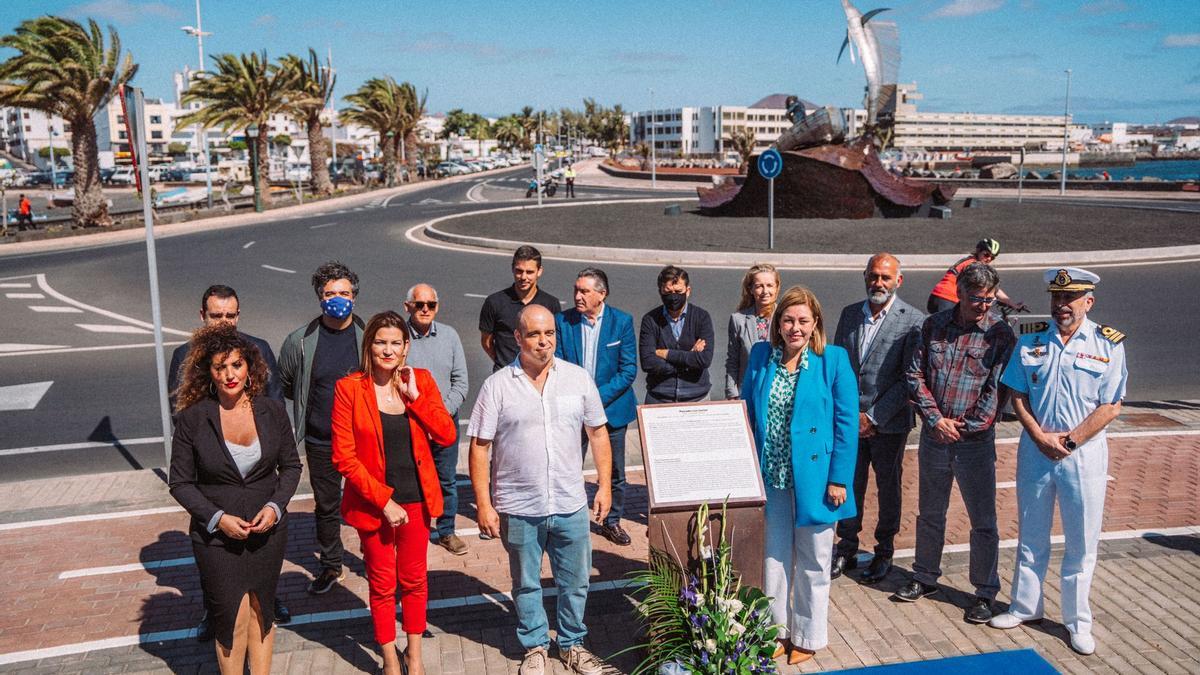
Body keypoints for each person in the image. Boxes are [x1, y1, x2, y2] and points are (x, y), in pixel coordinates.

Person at [989, 268, 1127, 656]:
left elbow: (1112, 405)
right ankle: (1025, 606)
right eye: (1055, 298)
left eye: (1069, 299)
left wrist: (1069, 440)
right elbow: (1016, 393)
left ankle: (1077, 622)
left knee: (1081, 542)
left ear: (1088, 302)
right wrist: (1037, 435)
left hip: (1081, 455)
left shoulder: (1108, 344)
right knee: (1031, 535)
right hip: (1036, 449)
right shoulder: (1032, 340)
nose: (1060, 306)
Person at [468, 304, 613, 675]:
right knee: (526, 582)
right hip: (519, 505)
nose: (543, 341)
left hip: (569, 502)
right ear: (518, 338)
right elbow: (480, 446)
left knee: (576, 581)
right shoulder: (498, 386)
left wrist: (605, 486)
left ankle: (572, 644)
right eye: (534, 334)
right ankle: (534, 645)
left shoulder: (578, 379)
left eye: (549, 333)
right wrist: (484, 503)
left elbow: (597, 433)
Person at [168, 325, 302, 674]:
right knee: (231, 618)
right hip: (216, 540)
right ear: (208, 373)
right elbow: (180, 483)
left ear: (249, 368)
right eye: (220, 367)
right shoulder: (193, 419)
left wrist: (275, 508)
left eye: (236, 365)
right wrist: (217, 519)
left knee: (262, 611)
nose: (229, 374)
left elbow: (290, 466)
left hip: (267, 534)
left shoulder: (272, 411)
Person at [331, 311, 457, 675]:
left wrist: (416, 399)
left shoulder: (420, 380)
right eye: (380, 342)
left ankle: (414, 656)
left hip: (417, 499)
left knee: (415, 580)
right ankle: (389, 656)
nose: (388, 350)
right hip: (375, 504)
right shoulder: (350, 388)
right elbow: (344, 456)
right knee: (383, 583)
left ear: (406, 348)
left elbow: (447, 435)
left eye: (395, 343)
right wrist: (383, 501)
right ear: (369, 345)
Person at [741, 286, 857, 665]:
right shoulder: (761, 356)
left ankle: (808, 635)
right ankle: (773, 630)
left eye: (803, 321)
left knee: (814, 559)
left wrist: (839, 477)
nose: (795, 327)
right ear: (778, 323)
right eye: (788, 320)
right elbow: (744, 411)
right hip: (770, 475)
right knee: (772, 558)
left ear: (815, 323)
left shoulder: (832, 360)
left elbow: (846, 423)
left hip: (817, 480)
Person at [898, 262, 1017, 624]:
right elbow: (915, 375)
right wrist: (936, 420)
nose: (983, 305)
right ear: (959, 294)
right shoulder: (933, 326)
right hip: (936, 437)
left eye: (989, 299)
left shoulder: (1000, 334)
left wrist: (963, 428)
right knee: (930, 512)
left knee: (983, 520)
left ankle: (984, 592)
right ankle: (924, 576)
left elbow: (998, 392)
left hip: (975, 443)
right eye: (976, 298)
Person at [831, 254, 925, 584]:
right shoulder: (849, 315)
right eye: (873, 276)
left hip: (889, 422)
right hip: (850, 422)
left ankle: (884, 551)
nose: (878, 283)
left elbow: (909, 378)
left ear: (898, 281)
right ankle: (846, 546)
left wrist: (873, 417)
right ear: (865, 277)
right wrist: (848, 414)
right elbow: (839, 366)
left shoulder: (913, 320)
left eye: (886, 277)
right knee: (848, 483)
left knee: (888, 487)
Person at [278, 261, 365, 595]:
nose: (337, 299)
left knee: (369, 503)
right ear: (319, 297)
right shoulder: (300, 340)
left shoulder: (368, 335)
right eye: (330, 293)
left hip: (362, 439)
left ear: (354, 297)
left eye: (343, 293)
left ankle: (375, 560)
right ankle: (331, 565)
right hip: (321, 440)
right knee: (327, 507)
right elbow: (289, 384)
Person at [555, 267, 637, 546]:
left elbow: (627, 371)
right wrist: (578, 400)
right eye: (576, 290)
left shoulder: (621, 322)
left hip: (610, 409)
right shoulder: (563, 322)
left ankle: (612, 522)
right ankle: (569, 520)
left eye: (584, 291)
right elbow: (557, 365)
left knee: (614, 471)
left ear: (601, 294)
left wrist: (594, 399)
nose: (577, 296)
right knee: (568, 466)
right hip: (572, 410)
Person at [403, 284, 470, 555]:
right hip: (410, 423)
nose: (425, 309)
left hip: (444, 423)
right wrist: (422, 416)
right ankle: (414, 530)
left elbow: (461, 383)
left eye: (431, 304)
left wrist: (438, 417)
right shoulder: (399, 338)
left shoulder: (450, 336)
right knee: (412, 479)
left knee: (446, 480)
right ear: (407, 306)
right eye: (419, 304)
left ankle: (446, 531)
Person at [638, 265, 715, 403]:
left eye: (678, 291)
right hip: (660, 397)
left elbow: (704, 360)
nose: (673, 297)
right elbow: (648, 362)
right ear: (660, 291)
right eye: (668, 292)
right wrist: (689, 358)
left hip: (696, 397)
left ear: (688, 290)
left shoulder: (701, 317)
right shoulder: (650, 320)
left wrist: (666, 354)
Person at [479, 245, 561, 371]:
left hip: (539, 374)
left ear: (539, 271)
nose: (523, 277)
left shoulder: (551, 304)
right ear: (512, 269)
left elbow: (554, 340)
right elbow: (486, 342)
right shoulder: (494, 302)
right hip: (505, 374)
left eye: (529, 272)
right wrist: (503, 363)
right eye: (519, 271)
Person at [927, 238, 1026, 314]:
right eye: (986, 255)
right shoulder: (974, 266)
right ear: (978, 251)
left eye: (992, 258)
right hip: (948, 299)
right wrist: (1012, 304)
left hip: (936, 296)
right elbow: (992, 287)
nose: (988, 259)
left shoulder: (968, 260)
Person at [725, 263, 780, 400]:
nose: (765, 291)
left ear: (777, 288)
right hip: (748, 393)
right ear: (750, 289)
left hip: (778, 393)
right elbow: (733, 361)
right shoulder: (738, 320)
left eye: (769, 285)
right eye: (759, 286)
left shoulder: (786, 318)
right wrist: (732, 394)